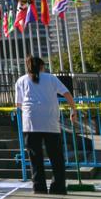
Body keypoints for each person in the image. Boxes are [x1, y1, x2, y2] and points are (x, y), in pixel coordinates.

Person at [15, 54, 76, 194]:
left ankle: (39, 187)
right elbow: (66, 93)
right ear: (42, 66)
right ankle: (58, 187)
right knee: (56, 157)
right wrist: (73, 109)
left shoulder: (21, 80)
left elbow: (18, 104)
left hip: (30, 123)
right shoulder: (51, 78)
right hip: (50, 122)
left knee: (35, 158)